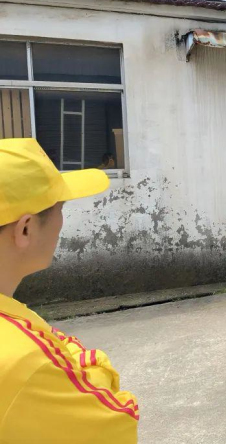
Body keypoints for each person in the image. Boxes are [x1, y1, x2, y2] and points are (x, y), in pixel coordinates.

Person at [0, 138, 138, 443]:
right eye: (60, 208)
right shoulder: (27, 362)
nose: (62, 222)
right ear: (25, 229)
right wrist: (93, 363)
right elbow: (118, 422)